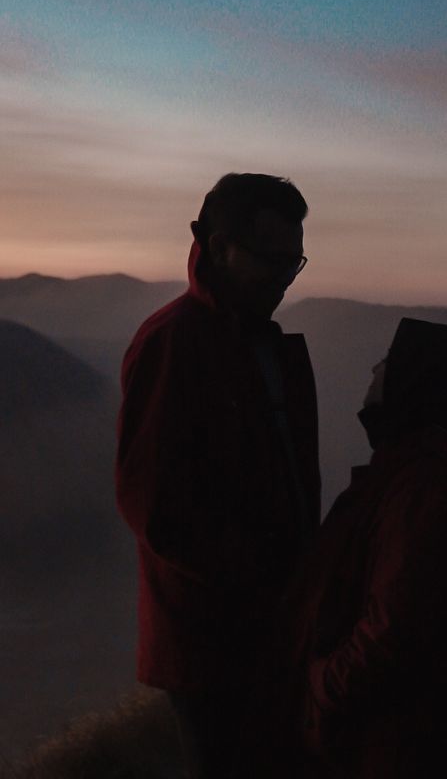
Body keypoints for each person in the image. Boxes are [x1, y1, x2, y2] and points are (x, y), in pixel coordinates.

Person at [255, 317, 447, 779]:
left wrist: (322, 687)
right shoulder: (419, 476)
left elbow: (392, 628)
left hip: (386, 743)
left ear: (419, 385)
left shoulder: (421, 491)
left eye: (391, 361)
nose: (376, 366)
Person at [115, 172, 320, 779]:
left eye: (294, 262)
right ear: (216, 244)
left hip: (268, 629)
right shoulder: (174, 342)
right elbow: (151, 504)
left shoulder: (259, 342)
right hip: (211, 645)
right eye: (269, 259)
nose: (283, 278)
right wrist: (264, 580)